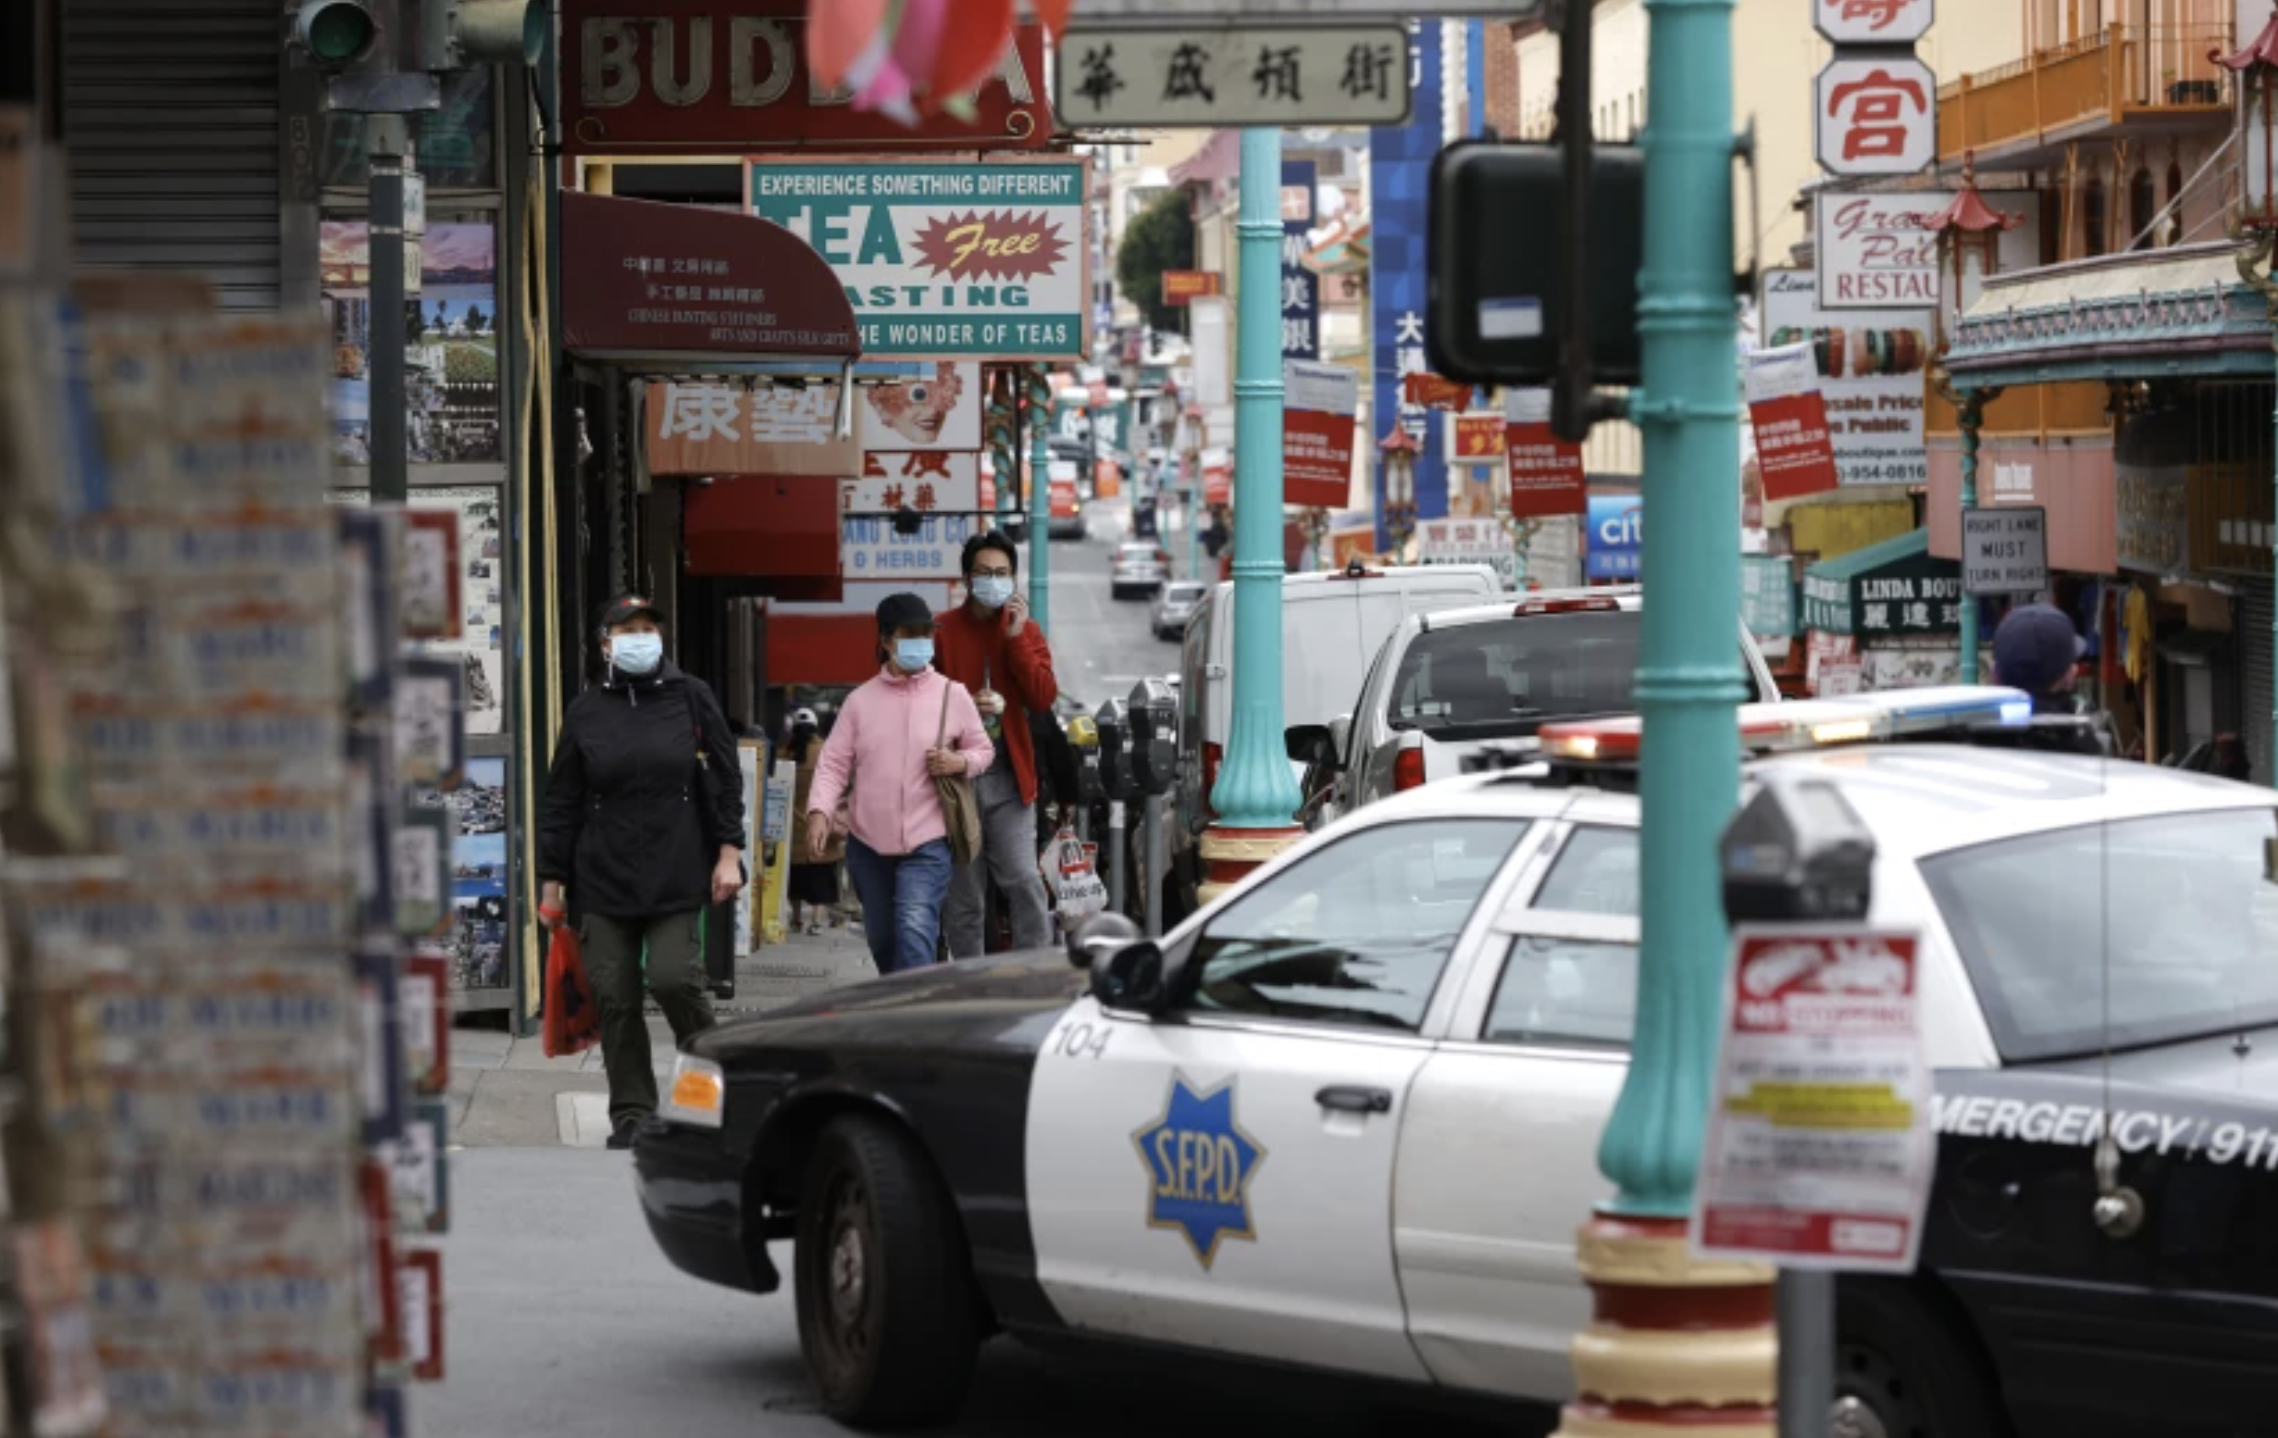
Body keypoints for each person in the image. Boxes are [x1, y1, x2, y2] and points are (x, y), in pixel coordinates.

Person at [538, 595, 746, 1150]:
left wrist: (729, 854)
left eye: (648, 628)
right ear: (605, 643)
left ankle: (708, 1100)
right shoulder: (585, 711)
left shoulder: (692, 698)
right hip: (601, 877)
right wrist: (551, 882)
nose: (639, 637)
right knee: (614, 992)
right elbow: (562, 800)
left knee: (676, 979)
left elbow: (725, 781)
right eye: (627, 629)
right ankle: (633, 1113)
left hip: (677, 868)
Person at [805, 594, 994, 974]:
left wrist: (960, 762)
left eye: (927, 633)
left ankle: (917, 1020)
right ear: (887, 640)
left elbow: (983, 749)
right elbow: (833, 764)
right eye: (911, 633)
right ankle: (900, 1007)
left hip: (928, 842)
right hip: (867, 847)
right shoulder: (859, 702)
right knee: (883, 940)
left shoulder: (952, 695)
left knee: (913, 929)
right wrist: (819, 811)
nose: (922, 642)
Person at [934, 531, 1059, 958]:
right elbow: (919, 705)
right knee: (965, 894)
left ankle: (1033, 972)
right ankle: (967, 978)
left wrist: (1017, 639)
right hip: (957, 783)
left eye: (1002, 573)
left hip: (1010, 779)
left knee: (1024, 879)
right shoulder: (942, 631)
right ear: (967, 578)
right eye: (984, 573)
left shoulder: (1026, 631)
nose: (993, 581)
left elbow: (1043, 697)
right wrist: (966, 706)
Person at [785, 708, 844, 934]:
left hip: (793, 826)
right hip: (819, 820)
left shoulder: (785, 753)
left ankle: (796, 919)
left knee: (795, 876)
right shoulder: (824, 751)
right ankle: (817, 920)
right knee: (820, 873)